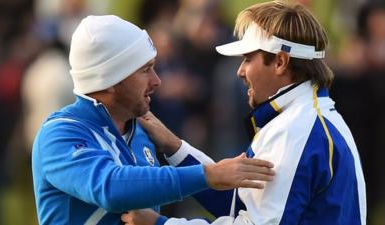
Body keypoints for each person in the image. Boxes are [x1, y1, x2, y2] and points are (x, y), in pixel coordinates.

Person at [122, 1, 367, 225]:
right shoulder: (303, 118)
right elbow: (239, 204)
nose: (240, 71)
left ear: (280, 62)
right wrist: (175, 147)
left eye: (248, 59)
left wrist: (159, 224)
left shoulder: (297, 129)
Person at [31, 15, 276, 225]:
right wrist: (208, 173)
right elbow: (111, 188)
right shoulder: (60, 134)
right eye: (145, 70)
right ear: (111, 79)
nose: (157, 81)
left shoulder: (141, 131)